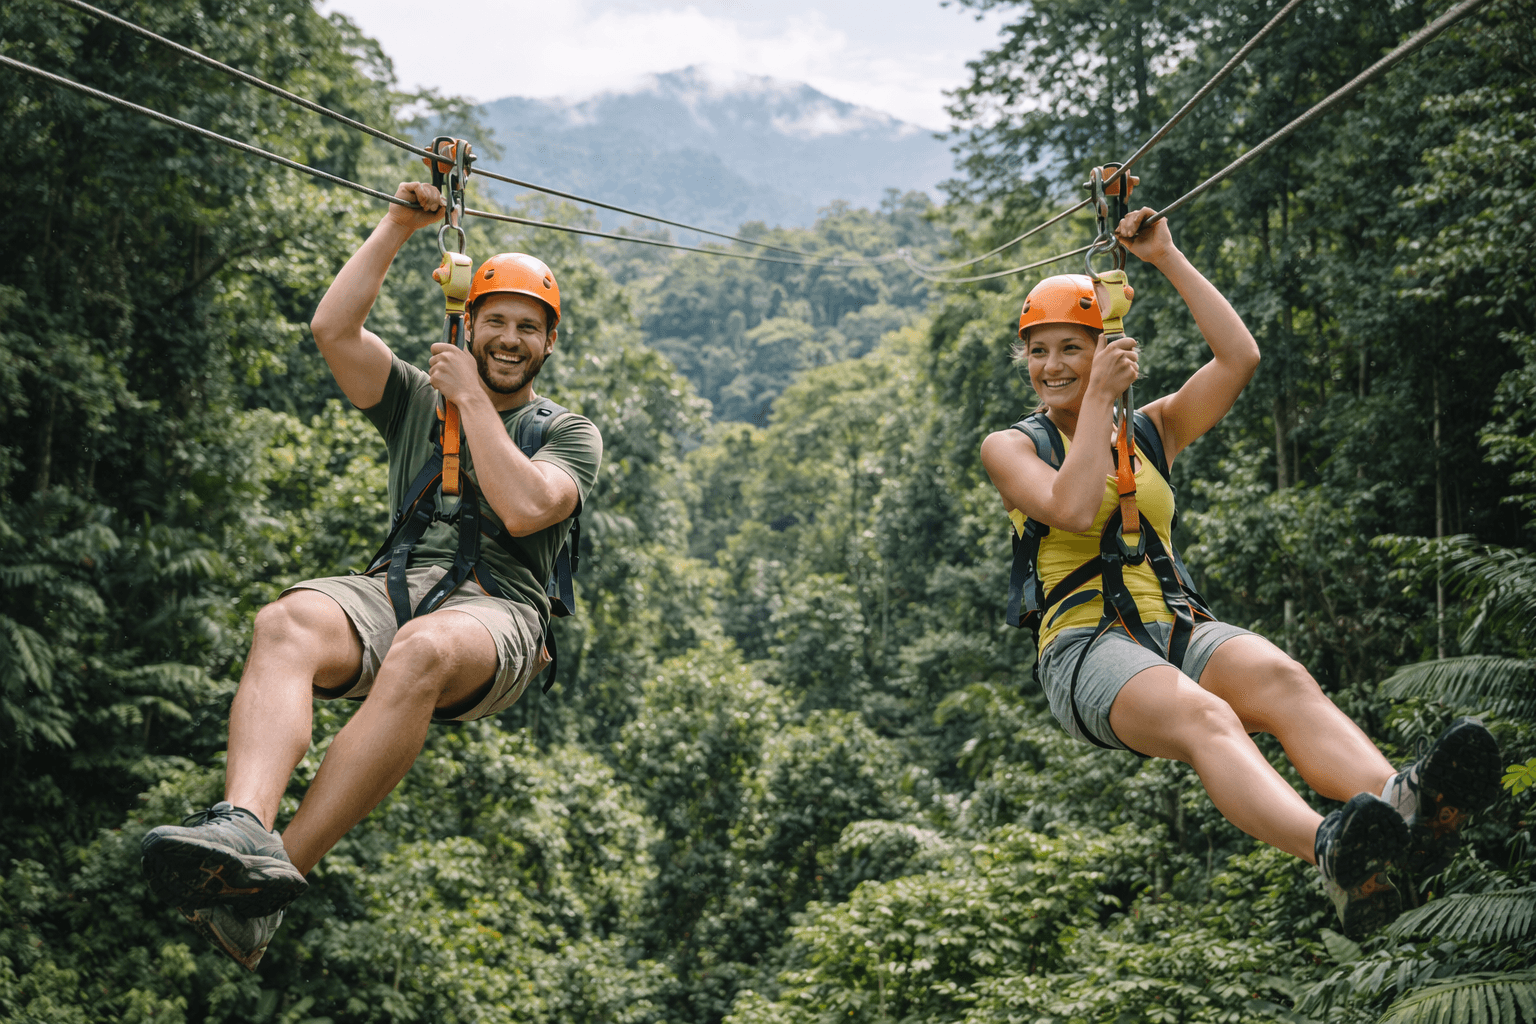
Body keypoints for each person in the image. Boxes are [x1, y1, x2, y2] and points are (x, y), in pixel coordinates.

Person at [979, 207, 1500, 938]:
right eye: (1039, 351)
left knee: (1283, 679)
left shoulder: (1150, 432)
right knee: (1205, 717)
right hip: (1086, 650)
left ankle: (1405, 807)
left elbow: (1238, 359)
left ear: (1107, 346)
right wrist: (1098, 397)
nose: (1054, 365)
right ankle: (1329, 850)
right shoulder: (1011, 447)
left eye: (1073, 347)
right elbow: (1067, 509)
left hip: (1176, 626)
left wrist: (1166, 256)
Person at [139, 181, 603, 969]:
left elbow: (528, 509)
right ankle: (241, 826)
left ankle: (276, 873)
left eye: (529, 328)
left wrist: (473, 405)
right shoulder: (417, 402)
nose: (510, 339)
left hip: (497, 616)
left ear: (549, 344)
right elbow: (333, 328)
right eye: (496, 322)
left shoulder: (567, 432)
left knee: (424, 648)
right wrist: (397, 225)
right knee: (284, 622)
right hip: (398, 586)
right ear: (470, 322)